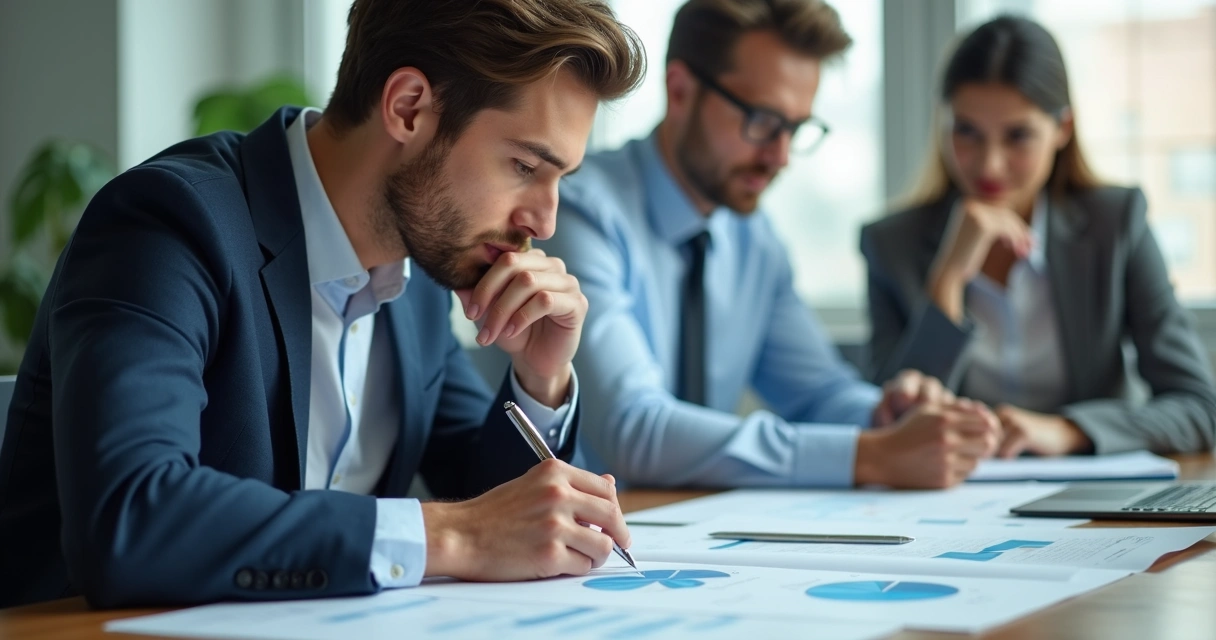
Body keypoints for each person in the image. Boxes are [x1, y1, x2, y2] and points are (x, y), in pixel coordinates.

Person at [0, 0, 646, 609]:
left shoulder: (413, 274)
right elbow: (131, 517)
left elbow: (492, 502)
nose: (545, 219)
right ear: (410, 108)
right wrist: (455, 536)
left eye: (560, 178)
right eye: (525, 167)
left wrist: (541, 379)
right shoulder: (170, 224)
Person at [539, 0, 1000, 491]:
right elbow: (632, 432)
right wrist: (868, 455)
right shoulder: (576, 210)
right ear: (680, 91)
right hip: (576, 540)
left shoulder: (753, 239)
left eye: (796, 129)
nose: (780, 156)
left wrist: (886, 414)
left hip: (692, 535)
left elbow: (818, 394)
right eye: (762, 120)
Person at [862, 16, 1216, 458]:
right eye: (967, 131)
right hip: (952, 503)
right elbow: (891, 426)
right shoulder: (889, 245)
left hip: (1095, 499)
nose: (990, 165)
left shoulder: (1115, 224)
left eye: (1018, 136)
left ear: (1062, 130)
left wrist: (1067, 430)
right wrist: (948, 279)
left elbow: (1199, 409)